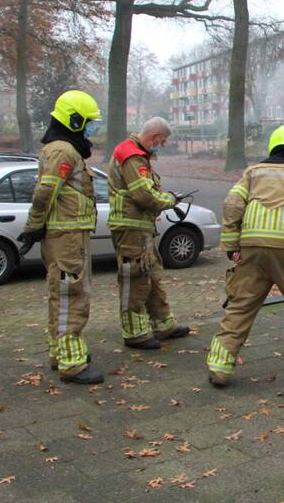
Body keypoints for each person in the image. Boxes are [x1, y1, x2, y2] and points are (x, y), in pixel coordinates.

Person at [206, 126, 284, 387]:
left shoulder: (253, 172)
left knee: (240, 306)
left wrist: (232, 245)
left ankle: (219, 368)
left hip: (252, 246)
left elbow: (232, 204)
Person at [17, 90, 104, 384]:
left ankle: (61, 352)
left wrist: (36, 227)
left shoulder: (63, 149)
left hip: (69, 234)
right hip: (67, 236)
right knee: (72, 295)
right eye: (90, 122)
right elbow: (45, 193)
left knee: (62, 292)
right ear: (75, 120)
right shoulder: (63, 151)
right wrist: (33, 226)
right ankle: (72, 361)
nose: (93, 128)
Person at [107, 117, 191, 349]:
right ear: (154, 136)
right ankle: (134, 333)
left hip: (139, 227)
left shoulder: (136, 154)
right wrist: (170, 200)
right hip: (130, 228)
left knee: (151, 274)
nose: (161, 146)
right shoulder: (132, 156)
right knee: (134, 278)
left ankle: (164, 324)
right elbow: (144, 195)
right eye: (162, 142)